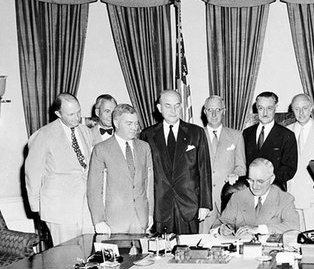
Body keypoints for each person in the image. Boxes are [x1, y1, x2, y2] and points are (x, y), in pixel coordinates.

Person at [25, 93, 93, 245]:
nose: (77, 117)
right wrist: (36, 206)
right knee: (66, 257)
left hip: (85, 206)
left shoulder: (85, 131)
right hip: (59, 208)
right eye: (71, 114)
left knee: (88, 254)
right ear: (58, 114)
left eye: (78, 112)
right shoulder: (44, 135)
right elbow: (33, 172)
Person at [141, 90, 212, 235]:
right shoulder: (147, 135)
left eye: (177, 105)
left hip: (189, 206)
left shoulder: (196, 133)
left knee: (188, 253)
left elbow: (204, 170)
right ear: (159, 108)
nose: (173, 111)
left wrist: (205, 204)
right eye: (167, 106)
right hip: (160, 207)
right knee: (161, 253)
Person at [87, 104, 154, 234]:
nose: (134, 128)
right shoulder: (101, 149)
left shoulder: (144, 147)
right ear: (116, 123)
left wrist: (149, 213)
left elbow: (149, 183)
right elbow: (94, 189)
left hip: (140, 219)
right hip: (113, 221)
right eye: (129, 124)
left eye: (136, 123)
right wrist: (99, 221)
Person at [217, 158, 299, 237]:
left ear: (271, 179)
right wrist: (221, 229)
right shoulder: (237, 197)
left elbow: (294, 227)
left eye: (260, 181)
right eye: (251, 180)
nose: (255, 186)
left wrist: (259, 229)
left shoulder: (285, 199)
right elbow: (219, 223)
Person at [201, 95, 246, 233]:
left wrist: (235, 174)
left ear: (224, 111)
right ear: (204, 111)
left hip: (228, 201)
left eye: (218, 110)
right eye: (210, 110)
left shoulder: (236, 136)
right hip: (204, 203)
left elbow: (241, 166)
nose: (214, 114)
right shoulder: (196, 135)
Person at [286, 93, 314, 231]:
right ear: (292, 110)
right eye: (297, 109)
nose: (301, 112)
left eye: (305, 108)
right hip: (293, 197)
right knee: (294, 242)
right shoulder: (287, 132)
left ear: (311, 108)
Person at [243, 91, 297, 190]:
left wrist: (265, 179)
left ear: (276, 107)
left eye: (269, 108)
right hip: (249, 189)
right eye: (260, 108)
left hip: (274, 190)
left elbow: (289, 170)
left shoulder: (287, 135)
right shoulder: (246, 133)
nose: (264, 113)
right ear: (256, 109)